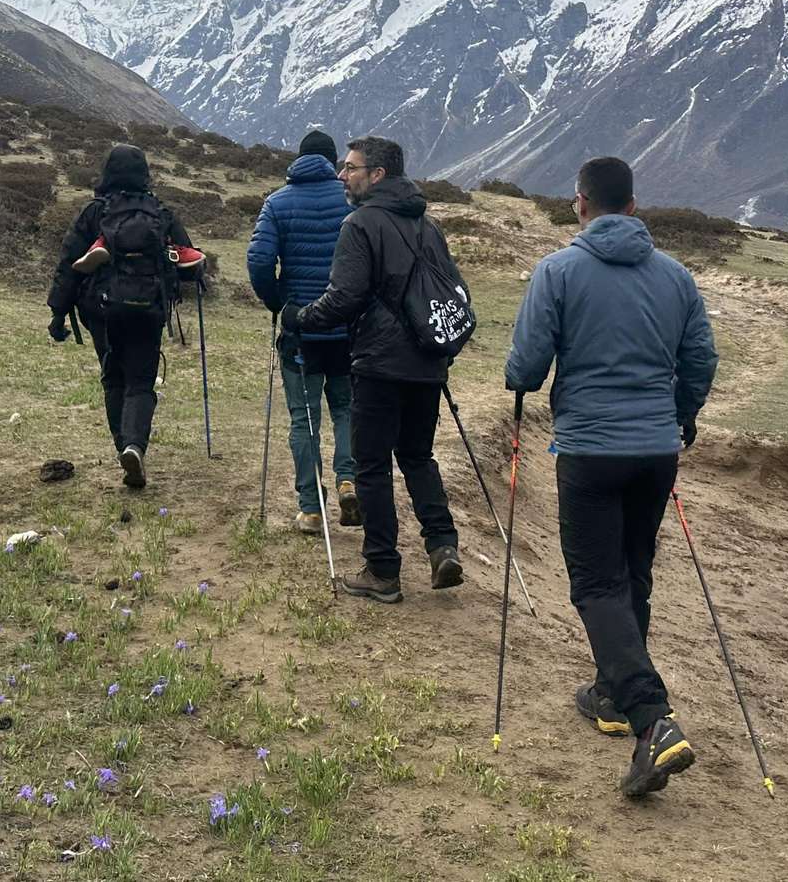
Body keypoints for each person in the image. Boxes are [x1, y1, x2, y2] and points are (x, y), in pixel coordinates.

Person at [503, 156, 717, 798]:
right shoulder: (675, 276)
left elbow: (528, 363)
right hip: (655, 449)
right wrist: (679, 416)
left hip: (592, 449)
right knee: (633, 571)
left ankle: (651, 719)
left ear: (581, 204)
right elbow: (701, 357)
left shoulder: (559, 271)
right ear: (632, 205)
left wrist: (519, 380)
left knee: (597, 583)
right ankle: (609, 692)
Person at [284, 136, 462, 603]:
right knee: (419, 457)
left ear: (377, 174)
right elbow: (452, 295)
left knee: (372, 466)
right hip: (427, 362)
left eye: (351, 168)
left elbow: (345, 297)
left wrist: (299, 319)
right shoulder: (429, 225)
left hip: (380, 363)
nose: (343, 175)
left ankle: (383, 570)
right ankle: (442, 546)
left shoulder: (359, 224)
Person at [48, 144, 202, 490]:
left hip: (102, 310)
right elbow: (187, 264)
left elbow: (67, 265)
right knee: (141, 382)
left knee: (113, 377)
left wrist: (58, 312)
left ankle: (124, 446)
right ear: (144, 173)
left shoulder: (94, 213)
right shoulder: (160, 212)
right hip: (148, 310)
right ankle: (135, 446)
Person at [248, 130, 362, 535]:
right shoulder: (352, 202)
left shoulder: (277, 202)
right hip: (349, 329)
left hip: (301, 331)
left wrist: (279, 301)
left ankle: (311, 509)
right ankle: (349, 480)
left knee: (305, 418)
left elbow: (260, 259)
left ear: (298, 160)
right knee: (348, 409)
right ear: (334, 164)